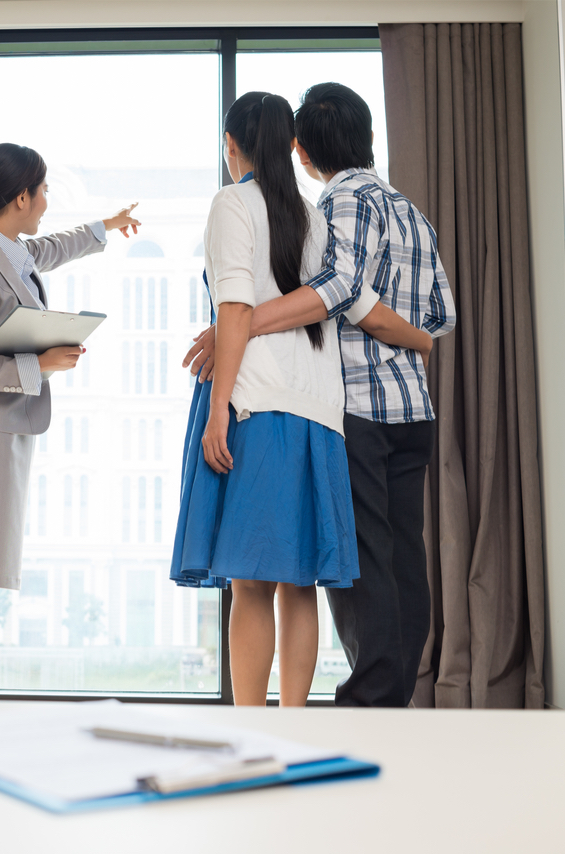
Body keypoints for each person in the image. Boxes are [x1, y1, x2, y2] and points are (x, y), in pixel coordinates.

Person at [185, 83, 457, 707]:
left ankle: (370, 701)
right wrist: (417, 339)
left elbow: (335, 289)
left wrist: (241, 322)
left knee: (350, 572)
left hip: (354, 405)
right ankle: (383, 697)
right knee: (397, 563)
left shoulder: (334, 206)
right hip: (410, 409)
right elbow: (437, 315)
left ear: (303, 149)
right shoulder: (409, 211)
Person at [0, 142, 140, 699]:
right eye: (42, 191)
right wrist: (36, 365)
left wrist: (106, 227)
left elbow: (50, 248)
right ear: (20, 197)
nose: (46, 201)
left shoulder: (10, 249)